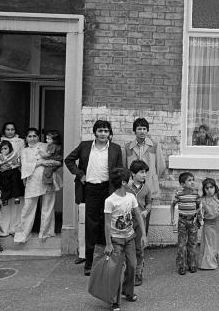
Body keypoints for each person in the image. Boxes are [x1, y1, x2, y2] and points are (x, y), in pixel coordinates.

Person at [64, 120, 123, 275]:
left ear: (110, 133)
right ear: (95, 132)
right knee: (91, 226)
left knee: (106, 224)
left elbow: (119, 171)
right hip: (90, 189)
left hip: (108, 190)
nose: (103, 134)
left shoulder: (116, 149)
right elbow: (69, 160)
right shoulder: (85, 146)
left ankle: (105, 262)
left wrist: (118, 191)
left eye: (105, 131)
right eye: (100, 131)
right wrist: (80, 174)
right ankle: (89, 264)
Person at [103, 167, 147, 311]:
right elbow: (107, 224)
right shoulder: (110, 201)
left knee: (132, 265)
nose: (130, 181)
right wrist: (108, 244)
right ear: (123, 182)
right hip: (116, 240)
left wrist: (144, 235)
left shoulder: (131, 197)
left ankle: (128, 292)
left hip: (129, 238)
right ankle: (114, 301)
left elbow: (138, 215)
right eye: (128, 179)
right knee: (116, 270)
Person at [14, 128, 61, 244]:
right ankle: (23, 234)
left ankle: (45, 232)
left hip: (48, 180)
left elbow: (58, 160)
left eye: (34, 136)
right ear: (26, 138)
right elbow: (25, 165)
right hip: (33, 181)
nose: (32, 138)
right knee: (28, 207)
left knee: (48, 207)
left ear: (38, 137)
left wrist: (51, 163)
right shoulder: (24, 151)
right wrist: (40, 162)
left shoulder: (46, 145)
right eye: (29, 136)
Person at [123, 117, 167, 201]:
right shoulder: (128, 147)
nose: (142, 131)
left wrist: (152, 176)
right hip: (133, 184)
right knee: (133, 209)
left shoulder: (155, 146)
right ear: (134, 131)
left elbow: (161, 166)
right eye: (139, 129)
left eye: (144, 129)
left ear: (147, 130)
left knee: (147, 209)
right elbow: (124, 167)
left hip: (150, 183)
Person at [0, 122, 26, 237]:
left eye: (12, 129)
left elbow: (22, 157)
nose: (10, 131)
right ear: (4, 131)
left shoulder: (20, 141)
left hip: (16, 174)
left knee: (17, 201)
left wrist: (14, 166)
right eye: (8, 129)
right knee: (5, 201)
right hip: (3, 176)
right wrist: (0, 167)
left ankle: (15, 227)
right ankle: (4, 230)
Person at [125, 159, 152, 286]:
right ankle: (127, 272)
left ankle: (138, 273)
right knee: (127, 248)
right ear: (133, 173)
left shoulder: (146, 188)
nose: (144, 175)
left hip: (140, 222)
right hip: (127, 222)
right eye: (141, 172)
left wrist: (146, 211)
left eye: (145, 172)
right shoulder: (126, 187)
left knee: (139, 248)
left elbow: (149, 203)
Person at [170, 172, 201, 275]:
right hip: (182, 221)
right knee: (182, 244)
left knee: (192, 243)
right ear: (182, 184)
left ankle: (192, 264)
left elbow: (198, 207)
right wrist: (172, 218)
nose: (192, 182)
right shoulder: (179, 194)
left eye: (193, 180)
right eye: (189, 180)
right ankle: (182, 265)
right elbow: (172, 205)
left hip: (193, 221)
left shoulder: (196, 194)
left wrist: (199, 219)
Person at [198, 177, 219, 270]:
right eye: (207, 188)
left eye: (211, 187)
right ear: (204, 189)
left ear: (215, 188)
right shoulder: (202, 200)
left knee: (218, 242)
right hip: (208, 224)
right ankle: (208, 263)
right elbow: (200, 213)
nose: (209, 190)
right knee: (209, 243)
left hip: (218, 223)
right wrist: (199, 216)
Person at [0, 140, 23, 205]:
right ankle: (5, 198)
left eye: (5, 148)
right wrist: (0, 166)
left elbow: (18, 163)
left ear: (10, 148)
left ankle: (16, 197)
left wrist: (10, 165)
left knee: (15, 182)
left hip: (13, 171)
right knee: (4, 184)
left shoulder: (14, 154)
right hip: (3, 172)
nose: (3, 150)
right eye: (2, 149)